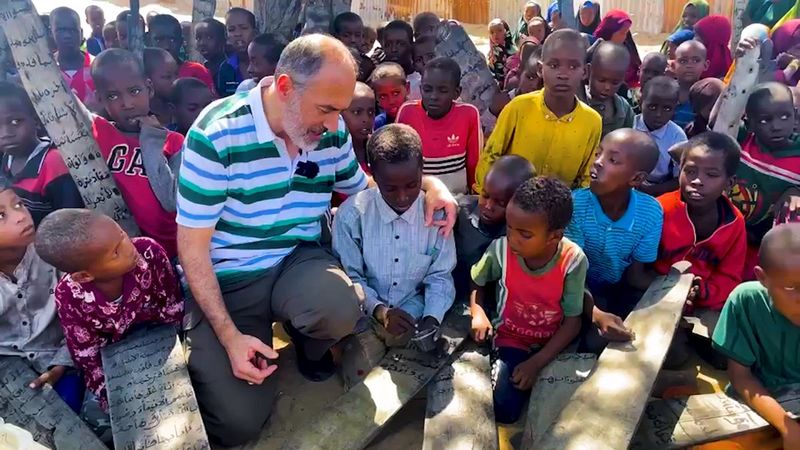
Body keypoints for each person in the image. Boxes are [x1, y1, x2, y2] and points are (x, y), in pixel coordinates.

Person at [176, 34, 457, 445]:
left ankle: (312, 346)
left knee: (340, 305)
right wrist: (229, 336)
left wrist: (432, 185)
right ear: (285, 86)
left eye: (339, 111)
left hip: (297, 262)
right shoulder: (216, 135)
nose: (332, 125)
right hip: (230, 279)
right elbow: (192, 248)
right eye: (326, 109)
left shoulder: (328, 131)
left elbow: (368, 187)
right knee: (236, 424)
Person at [334, 124, 457, 388]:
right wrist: (380, 312)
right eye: (390, 188)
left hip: (414, 316)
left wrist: (431, 318)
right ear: (373, 175)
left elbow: (440, 276)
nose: (403, 196)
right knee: (359, 384)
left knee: (429, 377)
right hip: (365, 318)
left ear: (422, 169)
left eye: (412, 185)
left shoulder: (436, 216)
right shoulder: (352, 216)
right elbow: (350, 278)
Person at [35, 209, 183, 410]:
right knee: (102, 414)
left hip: (165, 337)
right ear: (85, 276)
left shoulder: (149, 252)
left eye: (122, 235)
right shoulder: (69, 295)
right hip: (116, 358)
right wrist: (112, 392)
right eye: (115, 252)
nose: (129, 247)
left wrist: (176, 354)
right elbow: (86, 353)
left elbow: (173, 306)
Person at [470, 176, 587, 424]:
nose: (512, 238)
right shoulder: (500, 250)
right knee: (504, 409)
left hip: (554, 344)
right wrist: (478, 312)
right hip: (511, 338)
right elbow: (477, 281)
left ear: (554, 236)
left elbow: (573, 321)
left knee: (568, 411)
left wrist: (537, 363)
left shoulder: (573, 260)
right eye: (510, 227)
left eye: (524, 234)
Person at [565, 129, 662, 353]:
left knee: (653, 340)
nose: (597, 163)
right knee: (594, 342)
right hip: (578, 289)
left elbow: (636, 275)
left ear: (636, 178)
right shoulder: (576, 205)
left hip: (618, 289)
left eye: (612, 160)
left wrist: (674, 290)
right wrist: (597, 315)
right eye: (598, 154)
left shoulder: (650, 212)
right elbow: (570, 274)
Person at [476, 29, 602, 193]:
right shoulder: (518, 108)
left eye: (573, 66)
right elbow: (491, 156)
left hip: (559, 213)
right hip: (509, 205)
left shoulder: (592, 121)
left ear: (585, 71)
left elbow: (585, 178)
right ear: (540, 69)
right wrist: (485, 197)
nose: (563, 74)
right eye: (554, 65)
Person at [711, 223, 800, 450]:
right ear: (763, 278)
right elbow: (741, 377)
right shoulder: (746, 301)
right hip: (755, 402)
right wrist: (787, 427)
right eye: (792, 288)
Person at [91, 49, 183, 258]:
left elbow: (170, 200)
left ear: (148, 88)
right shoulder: (99, 133)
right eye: (113, 96)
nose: (127, 104)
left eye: (134, 91)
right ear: (100, 99)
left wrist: (151, 140)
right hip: (119, 251)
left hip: (170, 252)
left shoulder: (174, 142)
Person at [0, 181, 81, 412]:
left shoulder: (56, 255)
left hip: (64, 361)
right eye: (1, 215)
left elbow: (83, 317)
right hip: (10, 375)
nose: (20, 216)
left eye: (19, 204)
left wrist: (63, 361)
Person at [655, 132, 746, 315]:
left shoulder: (734, 223)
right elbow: (638, 268)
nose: (697, 181)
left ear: (729, 183)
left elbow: (729, 276)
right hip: (652, 294)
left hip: (703, 305)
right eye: (690, 171)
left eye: (711, 175)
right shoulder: (659, 209)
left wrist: (703, 292)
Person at [730, 82, 800, 280]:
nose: (776, 126)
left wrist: (796, 190)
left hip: (769, 238)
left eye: (785, 116)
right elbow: (722, 117)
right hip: (730, 229)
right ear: (749, 122)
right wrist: (741, 69)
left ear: (795, 115)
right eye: (764, 120)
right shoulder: (742, 139)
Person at [0, 81, 83, 225]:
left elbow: (69, 222)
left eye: (15, 122)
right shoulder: (8, 157)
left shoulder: (53, 163)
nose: (6, 134)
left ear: (37, 120)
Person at [397, 57, 482, 194]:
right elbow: (399, 161)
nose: (433, 96)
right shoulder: (407, 112)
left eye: (442, 91)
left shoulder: (469, 114)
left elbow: (474, 163)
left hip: (457, 198)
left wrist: (475, 197)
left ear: (456, 93)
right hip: (419, 198)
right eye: (427, 89)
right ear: (420, 88)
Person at [453, 155, 535, 298]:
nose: (488, 206)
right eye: (485, 195)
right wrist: (434, 187)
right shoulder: (460, 210)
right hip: (454, 296)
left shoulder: (524, 235)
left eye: (501, 203)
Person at [635, 76, 687, 197]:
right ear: (641, 101)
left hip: (660, 190)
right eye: (652, 107)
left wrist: (653, 190)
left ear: (675, 108)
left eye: (667, 108)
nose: (658, 114)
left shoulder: (677, 136)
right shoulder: (630, 125)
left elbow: (680, 178)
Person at [149, 15, 215, 94]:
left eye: (172, 40)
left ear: (181, 41)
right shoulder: (140, 73)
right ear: (148, 40)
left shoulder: (197, 71)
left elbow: (211, 104)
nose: (166, 46)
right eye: (159, 40)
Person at [582, 41, 634, 137]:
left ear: (623, 79)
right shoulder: (576, 101)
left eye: (615, 83)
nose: (607, 87)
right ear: (588, 71)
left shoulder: (624, 109)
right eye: (601, 80)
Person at [51, 7, 96, 108]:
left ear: (81, 33)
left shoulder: (97, 67)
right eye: (60, 30)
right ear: (51, 33)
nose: (67, 36)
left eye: (72, 30)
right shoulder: (44, 70)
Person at [593, 10, 642, 88]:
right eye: (622, 33)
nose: (625, 37)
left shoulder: (627, 49)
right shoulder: (595, 50)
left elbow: (636, 72)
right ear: (610, 31)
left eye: (626, 32)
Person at [196, 18, 240, 97]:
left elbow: (230, 98)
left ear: (223, 40)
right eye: (198, 38)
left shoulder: (228, 68)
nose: (202, 43)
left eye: (209, 38)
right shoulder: (203, 68)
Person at [673, 40, 709, 129]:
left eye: (696, 60)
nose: (689, 65)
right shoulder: (665, 91)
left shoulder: (708, 95)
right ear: (673, 65)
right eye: (683, 61)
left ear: (705, 65)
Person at [341, 81, 376, 172]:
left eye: (371, 112)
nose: (366, 119)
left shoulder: (379, 150)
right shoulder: (332, 151)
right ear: (339, 113)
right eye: (357, 112)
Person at [143, 47, 179, 127]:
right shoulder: (142, 116)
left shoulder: (180, 109)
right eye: (167, 77)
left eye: (176, 74)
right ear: (147, 79)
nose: (175, 80)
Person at [370, 62, 409, 130]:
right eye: (383, 96)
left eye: (396, 93)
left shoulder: (425, 117)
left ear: (407, 88)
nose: (391, 101)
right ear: (376, 98)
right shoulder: (377, 126)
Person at [225, 8, 258, 83]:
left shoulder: (266, 63)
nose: (237, 34)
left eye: (244, 28)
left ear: (255, 32)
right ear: (227, 36)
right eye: (231, 29)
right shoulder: (226, 68)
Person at [488, 19, 517, 87]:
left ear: (506, 32)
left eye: (499, 30)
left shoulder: (513, 52)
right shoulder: (492, 51)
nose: (495, 34)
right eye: (492, 32)